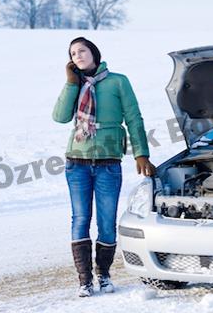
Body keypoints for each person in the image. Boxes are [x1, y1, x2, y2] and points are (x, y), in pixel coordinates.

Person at [53, 37, 156, 297]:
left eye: (82, 50)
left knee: (107, 222)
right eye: (73, 53)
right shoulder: (76, 84)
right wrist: (70, 83)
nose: (78, 56)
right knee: (80, 220)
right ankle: (84, 280)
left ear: (94, 53)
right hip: (76, 161)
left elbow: (134, 118)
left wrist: (141, 153)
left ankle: (104, 275)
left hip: (108, 162)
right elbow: (61, 117)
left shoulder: (118, 81)